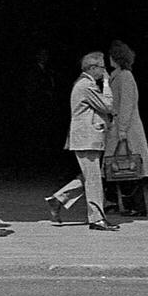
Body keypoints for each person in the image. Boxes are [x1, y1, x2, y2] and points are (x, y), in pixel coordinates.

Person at [46, 52, 118, 231]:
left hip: (87, 137)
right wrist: (107, 84)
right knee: (93, 178)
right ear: (92, 68)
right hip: (88, 138)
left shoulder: (86, 84)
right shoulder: (87, 85)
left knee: (88, 176)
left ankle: (58, 200)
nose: (104, 71)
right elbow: (107, 106)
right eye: (102, 68)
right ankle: (96, 218)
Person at [103, 40, 148, 217]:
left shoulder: (125, 77)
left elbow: (126, 104)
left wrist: (122, 130)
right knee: (119, 167)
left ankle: (136, 206)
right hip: (119, 127)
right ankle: (122, 203)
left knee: (129, 166)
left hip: (126, 129)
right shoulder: (117, 75)